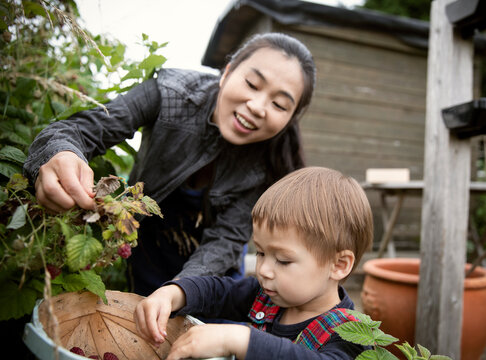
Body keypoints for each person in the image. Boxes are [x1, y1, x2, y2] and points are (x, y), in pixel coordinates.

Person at [23, 33, 316, 296]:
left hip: (215, 280)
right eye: (252, 84)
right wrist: (59, 154)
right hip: (148, 254)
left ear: (291, 118)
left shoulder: (271, 162)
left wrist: (182, 290)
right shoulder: (171, 94)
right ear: (226, 74)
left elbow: (226, 240)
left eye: (279, 105)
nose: (257, 106)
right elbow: (81, 130)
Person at [134, 166, 374, 359]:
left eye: (283, 260)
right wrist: (174, 293)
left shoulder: (352, 335)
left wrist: (240, 339)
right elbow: (218, 292)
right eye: (260, 253)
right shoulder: (265, 297)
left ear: (339, 265)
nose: (264, 270)